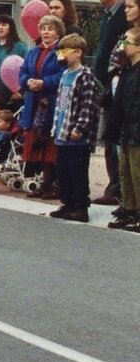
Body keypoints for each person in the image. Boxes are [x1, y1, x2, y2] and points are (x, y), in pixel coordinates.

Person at [48, 34, 101, 223]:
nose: (61, 55)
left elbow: (88, 106)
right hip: (62, 132)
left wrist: (80, 127)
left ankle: (80, 206)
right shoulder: (64, 75)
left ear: (77, 53)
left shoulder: (85, 78)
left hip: (77, 135)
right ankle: (67, 202)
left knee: (77, 170)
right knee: (63, 170)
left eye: (65, 51)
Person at [92, 0, 130, 206]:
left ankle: (118, 188)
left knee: (114, 137)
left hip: (117, 83)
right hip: (104, 84)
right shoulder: (106, 16)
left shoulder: (123, 17)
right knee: (108, 136)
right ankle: (114, 185)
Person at [18, 12, 65, 198]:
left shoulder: (62, 50)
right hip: (33, 102)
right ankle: (43, 184)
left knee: (50, 147)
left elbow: (63, 74)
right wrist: (27, 81)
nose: (46, 32)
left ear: (58, 32)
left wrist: (44, 82)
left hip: (51, 103)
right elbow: (22, 71)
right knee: (36, 143)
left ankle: (51, 185)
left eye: (50, 28)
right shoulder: (33, 51)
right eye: (43, 28)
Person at [106, 26, 140, 231]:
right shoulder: (127, 69)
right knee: (125, 170)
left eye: (127, 42)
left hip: (137, 126)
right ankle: (129, 208)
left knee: (137, 171)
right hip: (126, 126)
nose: (122, 46)